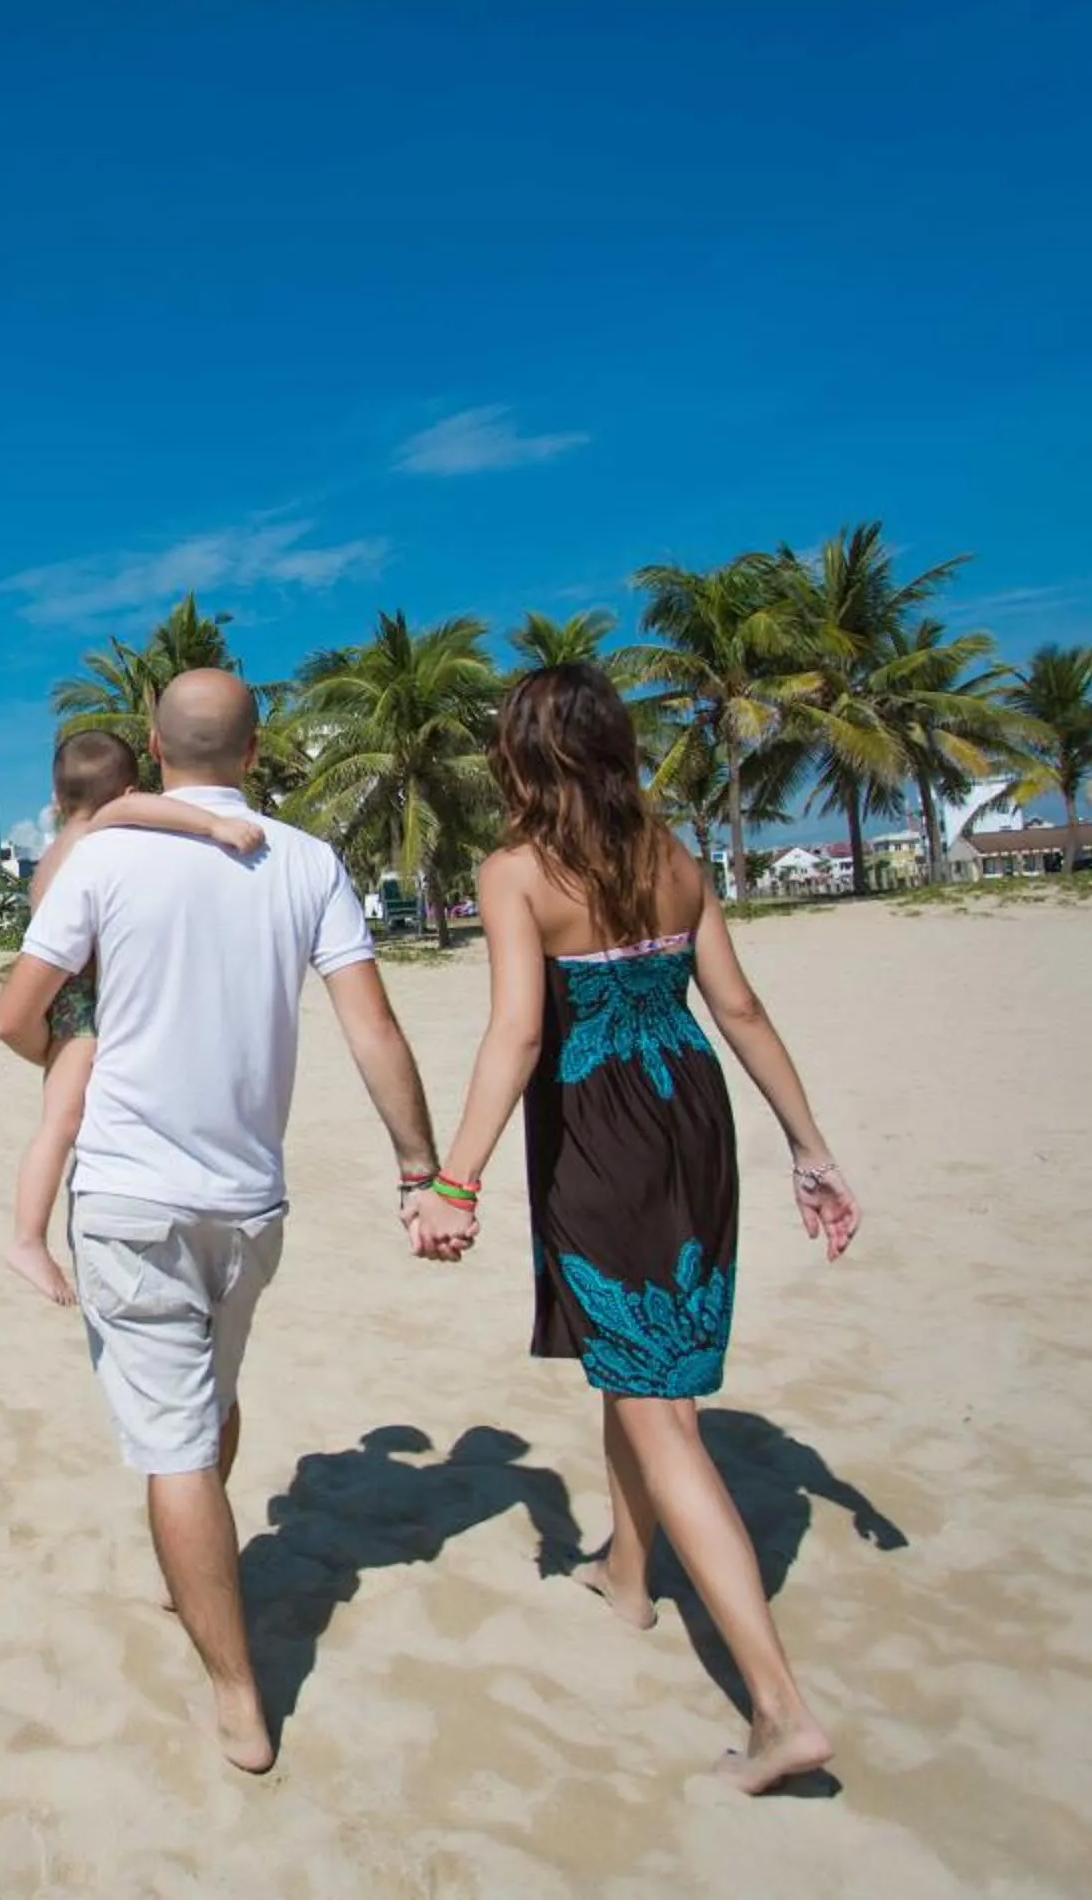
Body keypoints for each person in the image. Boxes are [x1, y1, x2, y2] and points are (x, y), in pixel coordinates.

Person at [0, 670, 469, 1774]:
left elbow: (16, 1012)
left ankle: (236, 1689)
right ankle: (211, 1578)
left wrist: (74, 1064)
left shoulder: (105, 852)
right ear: (257, 753)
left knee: (172, 1443)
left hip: (128, 1191)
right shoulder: (306, 860)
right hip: (251, 1198)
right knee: (210, 1400)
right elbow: (374, 1026)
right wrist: (420, 1169)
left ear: (155, 747)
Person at [419, 662, 863, 1795]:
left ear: (521, 755)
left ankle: (778, 1707)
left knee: (662, 1404)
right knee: (642, 1366)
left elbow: (518, 1035)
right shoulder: (673, 855)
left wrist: (454, 1183)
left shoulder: (518, 871)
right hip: (689, 1114)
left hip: (597, 1133)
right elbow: (743, 1008)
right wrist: (811, 1151)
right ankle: (626, 1569)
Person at [5, 729, 267, 1306]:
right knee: (61, 1122)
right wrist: (214, 825)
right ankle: (26, 1238)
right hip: (79, 1001)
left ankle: (28, 1236)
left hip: (68, 994)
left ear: (55, 793)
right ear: (125, 791)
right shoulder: (100, 830)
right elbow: (140, 807)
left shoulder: (59, 843)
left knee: (62, 1119)